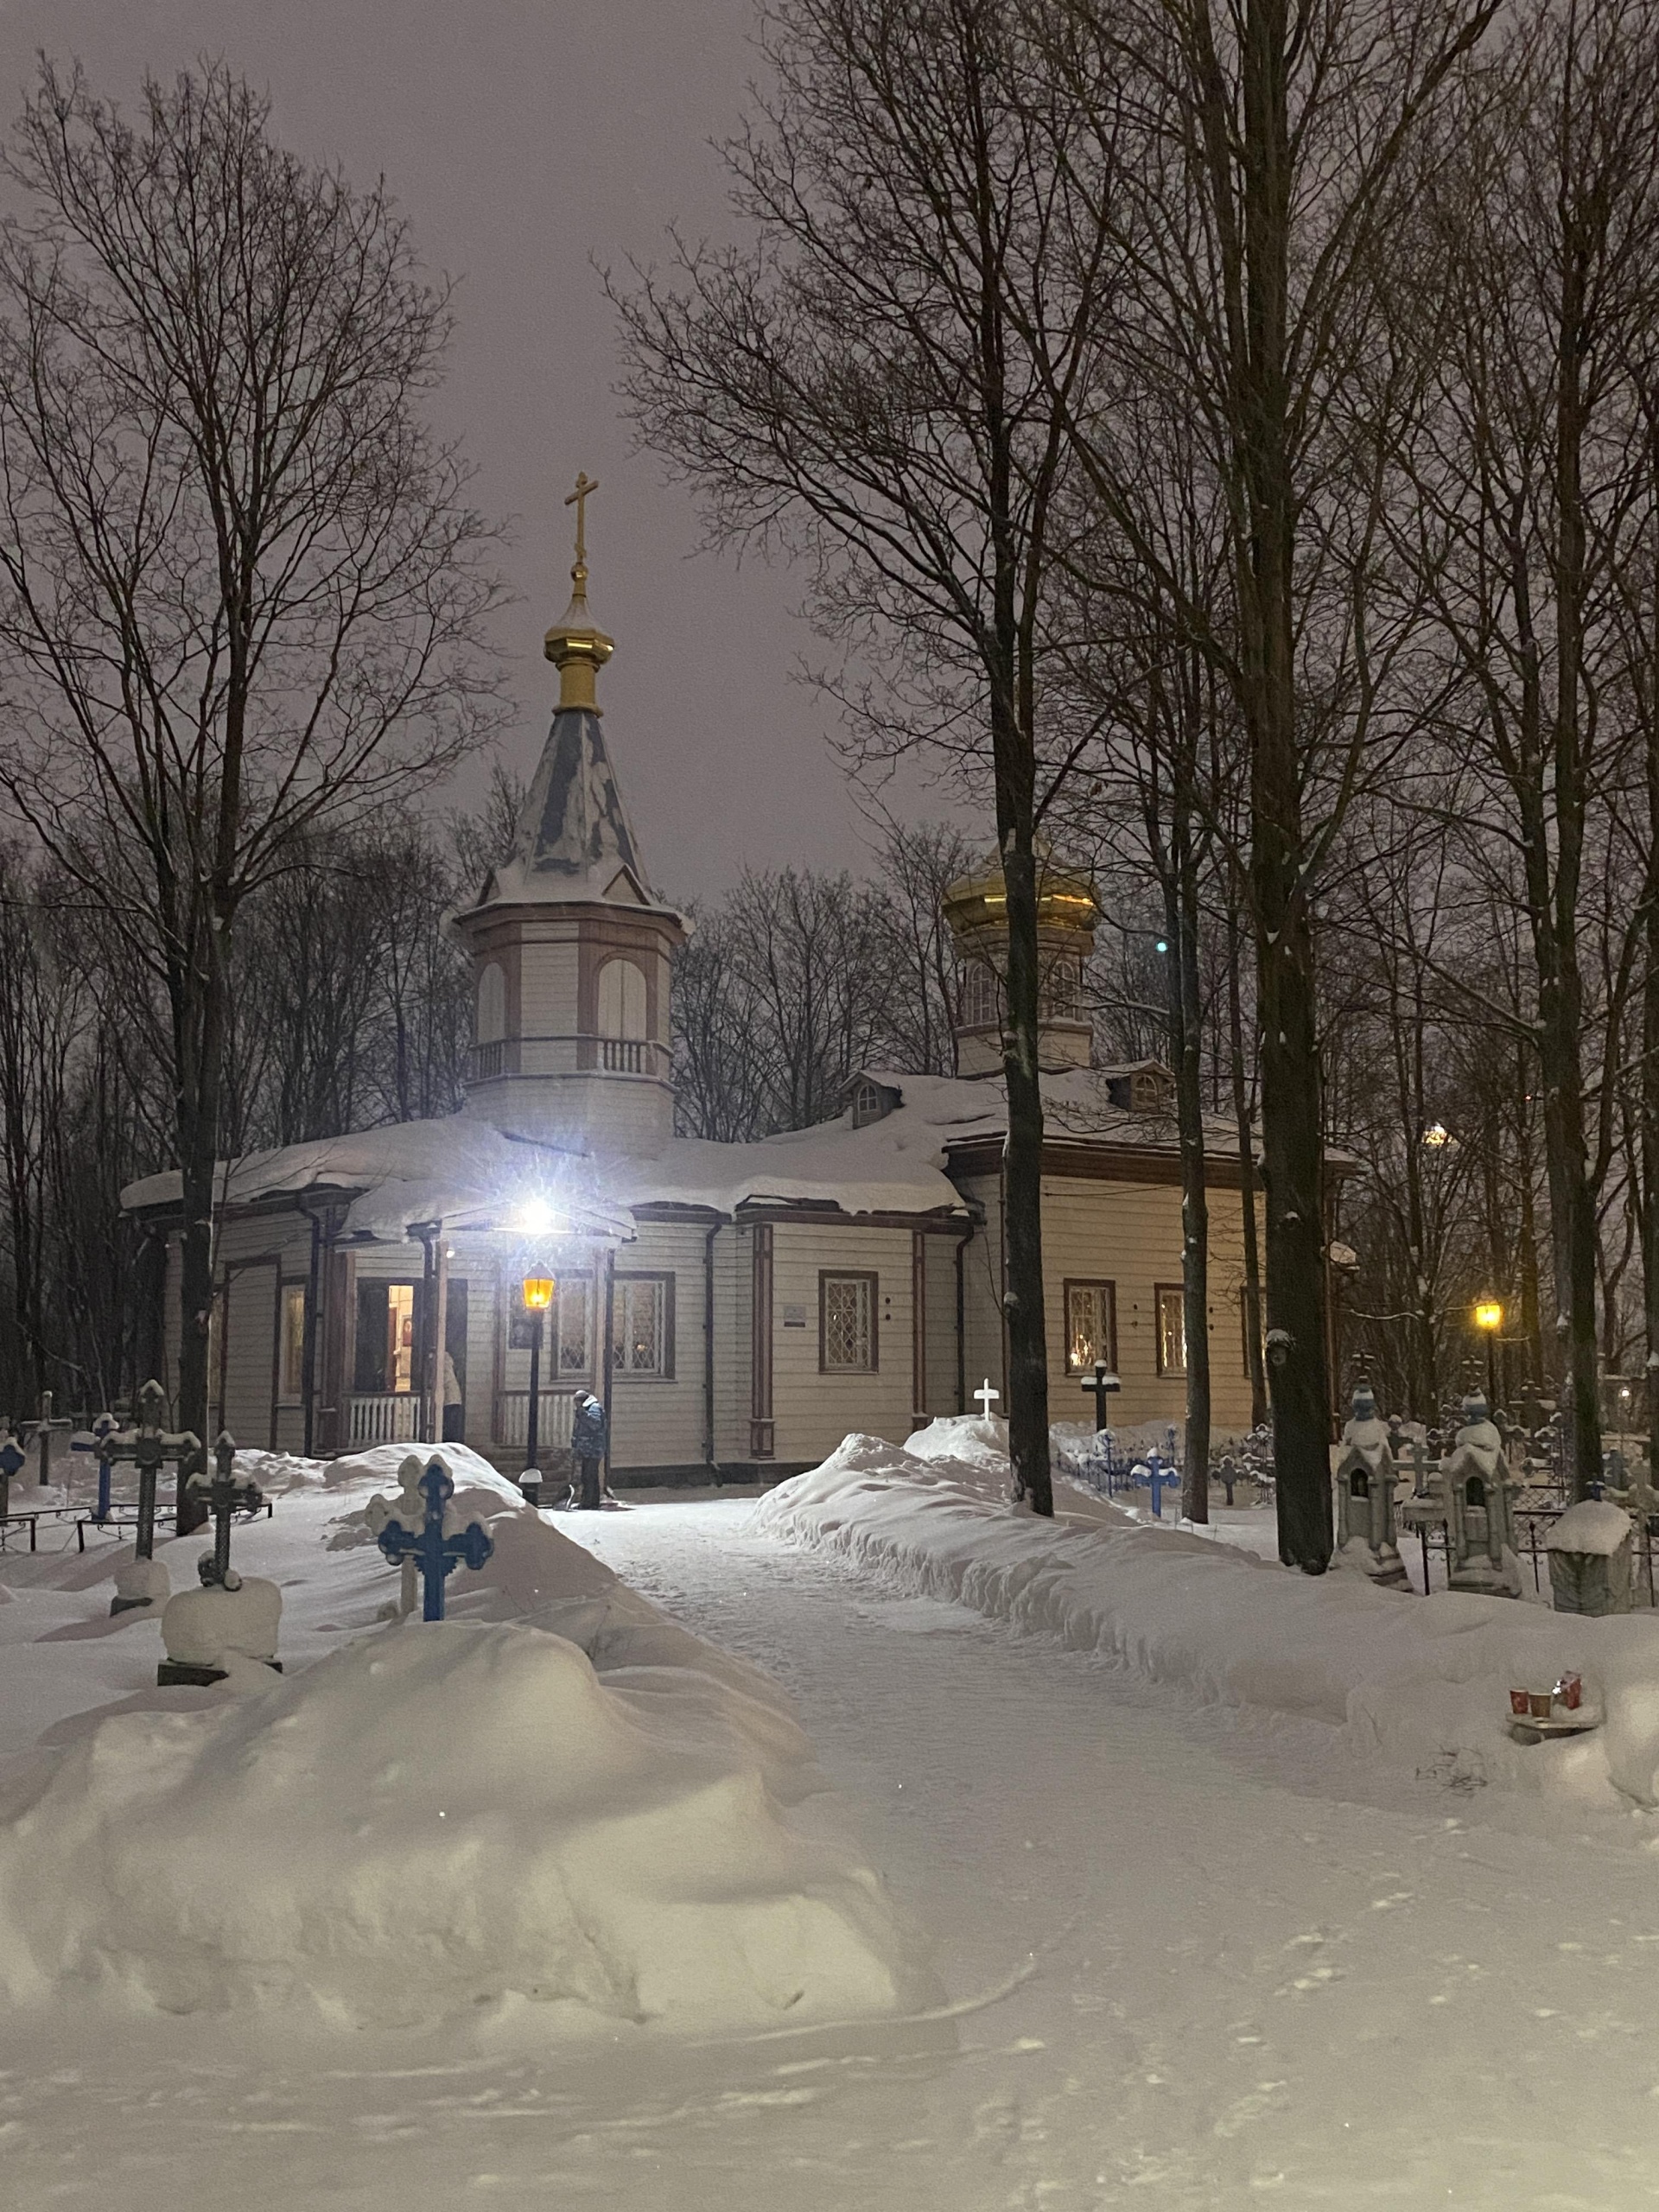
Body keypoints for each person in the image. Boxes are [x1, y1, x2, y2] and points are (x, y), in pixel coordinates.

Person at [570, 1390, 607, 1510]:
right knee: (588, 1476)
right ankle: (589, 1502)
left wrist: (582, 1414)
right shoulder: (588, 1408)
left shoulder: (593, 1408)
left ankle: (589, 1503)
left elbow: (595, 1424)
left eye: (577, 1402)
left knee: (589, 1476)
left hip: (593, 1449)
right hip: (588, 1449)